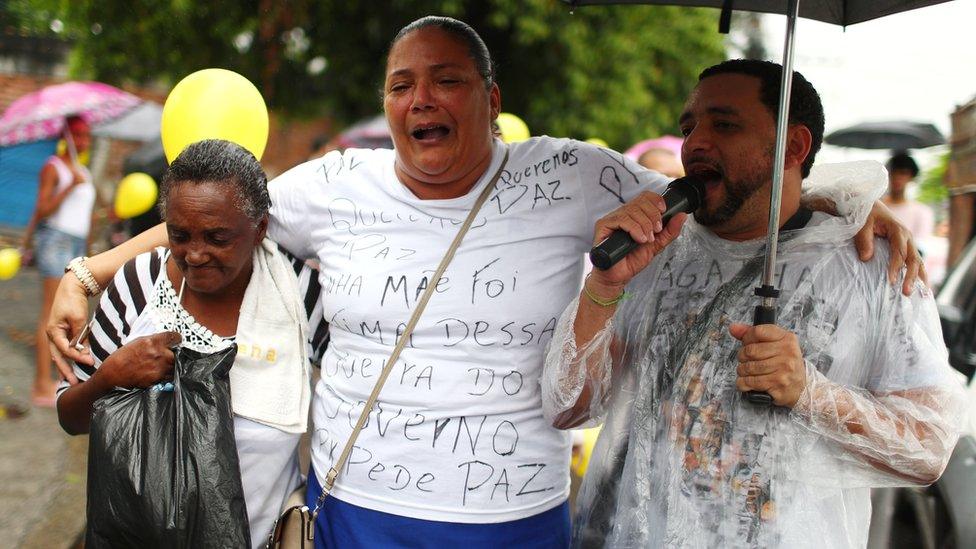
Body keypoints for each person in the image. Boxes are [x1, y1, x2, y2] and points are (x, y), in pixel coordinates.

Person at [48, 17, 923, 549]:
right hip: (360, 512)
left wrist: (848, 203)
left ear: (487, 93)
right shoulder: (338, 183)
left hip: (519, 520)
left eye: (446, 80)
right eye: (402, 84)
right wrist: (88, 270)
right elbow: (221, 217)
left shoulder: (571, 173)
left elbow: (713, 193)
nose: (420, 98)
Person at [541, 59, 966, 548]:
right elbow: (567, 406)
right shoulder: (653, 250)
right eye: (689, 126)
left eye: (724, 124)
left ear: (794, 145)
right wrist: (605, 286)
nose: (695, 141)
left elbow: (928, 450)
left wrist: (810, 393)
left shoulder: (873, 264)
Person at [55, 139, 328, 546]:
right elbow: (70, 417)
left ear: (260, 229)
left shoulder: (298, 297)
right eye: (179, 235)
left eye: (218, 238)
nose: (196, 254)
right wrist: (110, 377)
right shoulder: (138, 286)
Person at [25, 115, 97, 407]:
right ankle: (41, 384)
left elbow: (87, 218)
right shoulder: (53, 167)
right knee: (51, 313)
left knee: (73, 314)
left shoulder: (84, 171)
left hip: (77, 245)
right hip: (55, 240)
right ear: (65, 135)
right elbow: (41, 209)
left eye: (87, 136)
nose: (83, 141)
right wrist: (69, 187)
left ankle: (63, 377)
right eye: (78, 135)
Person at [883, 151, 934, 240]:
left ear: (911, 176)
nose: (897, 178)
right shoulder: (875, 207)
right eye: (893, 173)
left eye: (903, 173)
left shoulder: (921, 212)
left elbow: (920, 243)